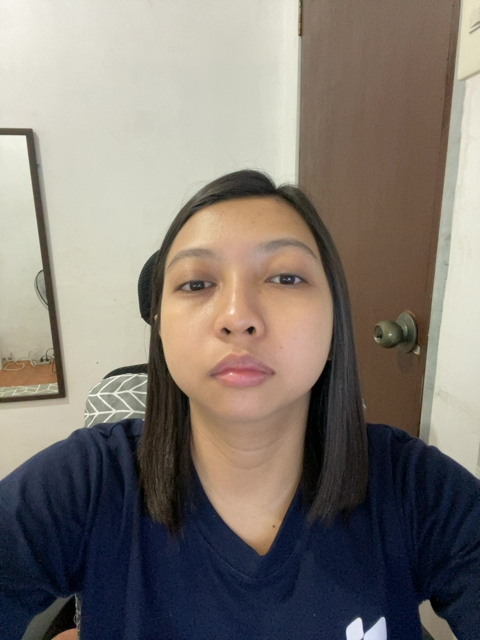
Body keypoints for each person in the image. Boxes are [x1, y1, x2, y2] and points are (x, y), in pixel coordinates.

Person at [0, 170, 479, 640]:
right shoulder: (86, 484)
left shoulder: (415, 489)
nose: (238, 316)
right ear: (160, 328)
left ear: (336, 325)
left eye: (286, 277)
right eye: (196, 284)